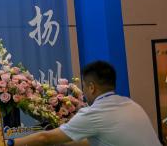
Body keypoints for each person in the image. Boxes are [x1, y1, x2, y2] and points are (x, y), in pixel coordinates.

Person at [8, 61, 161, 146]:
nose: (84, 91)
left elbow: (45, 138)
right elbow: (92, 140)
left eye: (84, 86)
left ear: (92, 87)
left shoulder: (94, 113)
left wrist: (9, 143)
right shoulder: (131, 105)